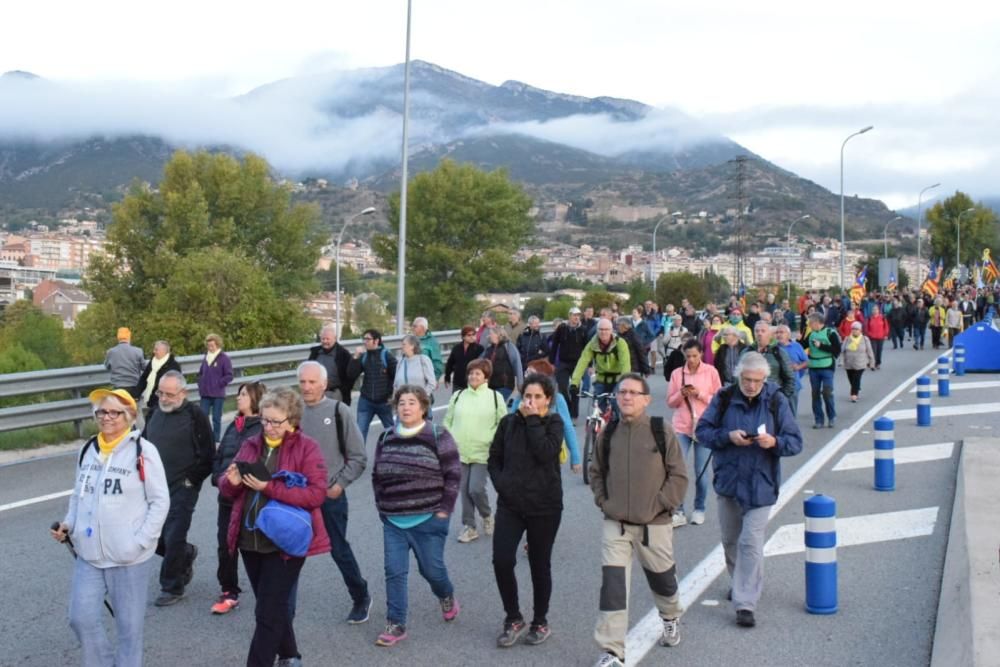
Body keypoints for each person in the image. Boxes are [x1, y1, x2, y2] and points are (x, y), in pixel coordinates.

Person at [52, 388, 169, 667]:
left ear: (129, 416)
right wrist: (69, 524)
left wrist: (139, 542)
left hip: (129, 558)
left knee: (129, 631)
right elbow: (78, 494)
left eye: (115, 412)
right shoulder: (87, 450)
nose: (107, 417)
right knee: (80, 618)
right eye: (102, 411)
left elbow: (160, 501)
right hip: (89, 554)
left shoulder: (144, 451)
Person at [219, 387, 331, 667]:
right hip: (249, 541)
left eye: (276, 422)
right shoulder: (250, 444)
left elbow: (317, 494)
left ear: (292, 420)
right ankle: (290, 655)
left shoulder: (307, 447)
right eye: (265, 420)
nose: (268, 427)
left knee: (267, 613)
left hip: (285, 544)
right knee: (273, 606)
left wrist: (270, 488)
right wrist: (229, 482)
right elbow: (226, 486)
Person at [695, 352, 803, 629]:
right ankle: (742, 582)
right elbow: (702, 431)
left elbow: (795, 442)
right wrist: (727, 437)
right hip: (729, 480)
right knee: (731, 540)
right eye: (747, 379)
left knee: (750, 542)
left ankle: (745, 602)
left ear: (765, 379)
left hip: (761, 483)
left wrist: (774, 442)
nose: (751, 385)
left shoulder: (777, 400)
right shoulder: (725, 397)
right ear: (738, 376)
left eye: (757, 381)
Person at [590, 373, 687, 667]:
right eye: (622, 393)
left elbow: (679, 476)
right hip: (616, 524)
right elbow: (595, 473)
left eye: (633, 393)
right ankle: (612, 650)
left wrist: (659, 505)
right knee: (613, 586)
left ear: (646, 399)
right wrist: (604, 501)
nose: (627, 397)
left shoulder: (661, 430)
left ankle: (670, 617)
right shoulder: (607, 433)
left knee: (663, 581)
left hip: (654, 524)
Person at [371, 385, 462, 647]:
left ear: (423, 407)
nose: (406, 407)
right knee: (394, 571)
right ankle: (396, 623)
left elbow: (453, 474)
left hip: (429, 518)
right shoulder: (386, 437)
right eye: (401, 402)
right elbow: (377, 475)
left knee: (432, 570)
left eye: (412, 402)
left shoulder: (437, 434)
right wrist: (382, 507)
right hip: (393, 520)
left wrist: (444, 510)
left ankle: (446, 595)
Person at [489, 374, 564, 648]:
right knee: (502, 560)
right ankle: (513, 617)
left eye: (536, 397)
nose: (529, 402)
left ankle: (540, 621)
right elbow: (494, 458)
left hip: (544, 506)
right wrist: (502, 485)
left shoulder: (553, 423)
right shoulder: (508, 423)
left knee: (538, 564)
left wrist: (533, 420)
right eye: (526, 397)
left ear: (548, 400)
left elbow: (546, 452)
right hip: (510, 504)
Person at [298, 361, 372, 623]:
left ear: (324, 384)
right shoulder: (292, 412)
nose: (306, 387)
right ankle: (280, 603)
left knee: (338, 549)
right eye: (302, 382)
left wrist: (338, 486)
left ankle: (360, 596)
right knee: (289, 548)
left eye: (312, 382)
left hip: (329, 496)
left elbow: (358, 457)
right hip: (297, 497)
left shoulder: (339, 411)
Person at [142, 370, 215, 606]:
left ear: (183, 393)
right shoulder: (154, 412)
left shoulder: (195, 416)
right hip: (153, 488)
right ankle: (185, 554)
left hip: (181, 488)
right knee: (151, 537)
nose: (163, 398)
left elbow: (208, 455)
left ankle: (172, 587)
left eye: (169, 394)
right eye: (160, 393)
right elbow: (142, 445)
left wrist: (191, 481)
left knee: (173, 536)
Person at [210, 381, 265, 615]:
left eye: (244, 394)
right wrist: (217, 476)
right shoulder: (234, 424)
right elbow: (221, 454)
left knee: (252, 546)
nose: (239, 398)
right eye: (239, 394)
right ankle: (229, 590)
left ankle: (266, 591)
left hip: (248, 498)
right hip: (226, 495)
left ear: (255, 399)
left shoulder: (262, 427)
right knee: (225, 545)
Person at [443, 359, 508, 544]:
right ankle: (470, 526)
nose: (473, 376)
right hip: (459, 450)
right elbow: (448, 420)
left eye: (478, 373)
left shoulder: (495, 397)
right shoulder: (458, 396)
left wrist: (491, 440)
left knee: (476, 488)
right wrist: (450, 439)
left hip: (483, 451)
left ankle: (487, 515)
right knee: (463, 489)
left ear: (486, 376)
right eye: (471, 373)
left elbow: (503, 424)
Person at [666, 339, 721, 528]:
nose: (691, 359)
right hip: (682, 426)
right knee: (677, 470)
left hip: (704, 427)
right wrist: (681, 393)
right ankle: (678, 510)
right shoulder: (677, 373)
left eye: (695, 356)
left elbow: (718, 400)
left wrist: (699, 394)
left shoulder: (711, 372)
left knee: (701, 472)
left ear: (701, 354)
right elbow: (670, 402)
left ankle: (699, 508)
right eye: (688, 356)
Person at [570, 318, 631, 416]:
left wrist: (625, 384)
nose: (603, 332)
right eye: (601, 329)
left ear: (611, 330)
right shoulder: (592, 345)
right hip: (601, 379)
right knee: (597, 406)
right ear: (597, 330)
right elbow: (582, 362)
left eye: (606, 329)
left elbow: (625, 365)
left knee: (616, 403)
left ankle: (619, 426)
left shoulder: (620, 343)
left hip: (618, 379)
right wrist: (574, 383)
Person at [346, 329, 399, 442]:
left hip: (384, 402)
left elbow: (397, 376)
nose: (365, 342)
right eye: (364, 339)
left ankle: (395, 454)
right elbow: (351, 375)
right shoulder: (364, 356)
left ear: (376, 341)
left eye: (368, 339)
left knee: (391, 432)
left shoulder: (386, 355)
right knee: (359, 434)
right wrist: (355, 357)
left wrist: (391, 394)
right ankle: (360, 459)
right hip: (366, 401)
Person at [741, 322, 796, 405]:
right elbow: (738, 376)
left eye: (763, 331)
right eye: (757, 331)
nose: (759, 333)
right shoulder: (746, 352)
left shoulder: (779, 353)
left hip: (772, 399)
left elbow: (790, 378)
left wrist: (782, 397)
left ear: (770, 334)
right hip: (750, 399)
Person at [548, 307, 589, 419]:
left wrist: (589, 365)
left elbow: (587, 349)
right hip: (563, 362)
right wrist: (551, 362)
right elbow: (555, 344)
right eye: (574, 315)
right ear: (569, 316)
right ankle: (568, 406)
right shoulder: (562, 328)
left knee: (574, 388)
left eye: (578, 315)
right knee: (562, 387)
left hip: (577, 363)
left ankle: (574, 413)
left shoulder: (583, 330)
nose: (576, 317)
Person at [802, 312, 842, 429]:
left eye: (810, 323)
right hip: (813, 367)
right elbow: (802, 345)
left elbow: (837, 350)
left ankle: (831, 417)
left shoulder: (831, 333)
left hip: (827, 367)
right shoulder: (811, 334)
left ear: (816, 322)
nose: (809, 325)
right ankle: (818, 419)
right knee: (815, 394)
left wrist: (821, 346)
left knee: (827, 392)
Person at [198, 333, 234, 443]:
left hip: (218, 394)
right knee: (203, 417)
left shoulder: (224, 358)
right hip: (205, 394)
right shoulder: (206, 357)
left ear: (217, 345)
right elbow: (200, 373)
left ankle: (216, 439)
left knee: (216, 418)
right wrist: (200, 383)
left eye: (212, 345)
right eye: (208, 345)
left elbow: (229, 375)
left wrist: (219, 383)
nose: (210, 348)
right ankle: (205, 437)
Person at [307, 324, 355, 403]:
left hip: (335, 393)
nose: (325, 341)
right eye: (323, 339)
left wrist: (342, 391)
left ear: (335, 339)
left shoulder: (343, 354)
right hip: (317, 392)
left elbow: (351, 375)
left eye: (327, 339)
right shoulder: (315, 352)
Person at [135, 340, 181, 416]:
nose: (154, 351)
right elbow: (144, 378)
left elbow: (176, 386)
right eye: (154, 349)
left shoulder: (173, 366)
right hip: (151, 400)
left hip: (164, 402)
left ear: (164, 351)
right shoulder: (152, 362)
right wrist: (136, 394)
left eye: (156, 349)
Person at [480, 327, 524, 402]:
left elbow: (517, 364)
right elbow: (480, 361)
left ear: (498, 334)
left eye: (491, 334)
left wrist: (520, 383)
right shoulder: (489, 348)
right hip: (490, 385)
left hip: (504, 385)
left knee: (498, 405)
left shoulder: (509, 347)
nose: (489, 336)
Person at [775, 325, 808, 418]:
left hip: (793, 384)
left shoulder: (796, 346)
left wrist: (798, 367)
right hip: (776, 385)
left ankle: (791, 431)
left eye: (782, 332)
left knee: (791, 413)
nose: (779, 335)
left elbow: (807, 362)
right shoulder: (773, 348)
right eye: (777, 333)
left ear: (788, 335)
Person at [103, 327, 145, 398]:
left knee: (120, 408)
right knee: (135, 407)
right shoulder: (138, 351)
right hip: (134, 386)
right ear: (129, 337)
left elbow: (107, 367)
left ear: (118, 338)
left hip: (118, 387)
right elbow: (144, 367)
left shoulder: (111, 352)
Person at [394, 334, 438, 398]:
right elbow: (395, 385)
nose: (401, 347)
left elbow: (432, 383)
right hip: (404, 403)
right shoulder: (400, 362)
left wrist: (421, 397)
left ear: (412, 346)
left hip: (420, 402)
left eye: (404, 344)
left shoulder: (423, 360)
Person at [842, 321, 875, 402]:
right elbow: (842, 351)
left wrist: (872, 363)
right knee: (851, 379)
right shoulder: (847, 339)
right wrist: (841, 362)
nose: (854, 330)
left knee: (856, 378)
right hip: (849, 363)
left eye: (856, 329)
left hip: (861, 363)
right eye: (853, 329)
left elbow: (869, 351)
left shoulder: (864, 339)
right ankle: (856, 388)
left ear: (860, 330)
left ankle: (854, 394)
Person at [444, 326, 484, 390]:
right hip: (458, 382)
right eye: (469, 335)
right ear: (463, 337)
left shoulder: (479, 348)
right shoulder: (456, 348)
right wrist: (447, 378)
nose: (472, 337)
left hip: (473, 383)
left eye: (473, 334)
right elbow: (450, 363)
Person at [412, 317, 445, 381]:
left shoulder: (432, 342)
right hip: (412, 379)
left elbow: (437, 362)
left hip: (425, 379)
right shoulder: (411, 340)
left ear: (422, 328)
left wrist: (435, 379)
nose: (412, 328)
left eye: (415, 326)